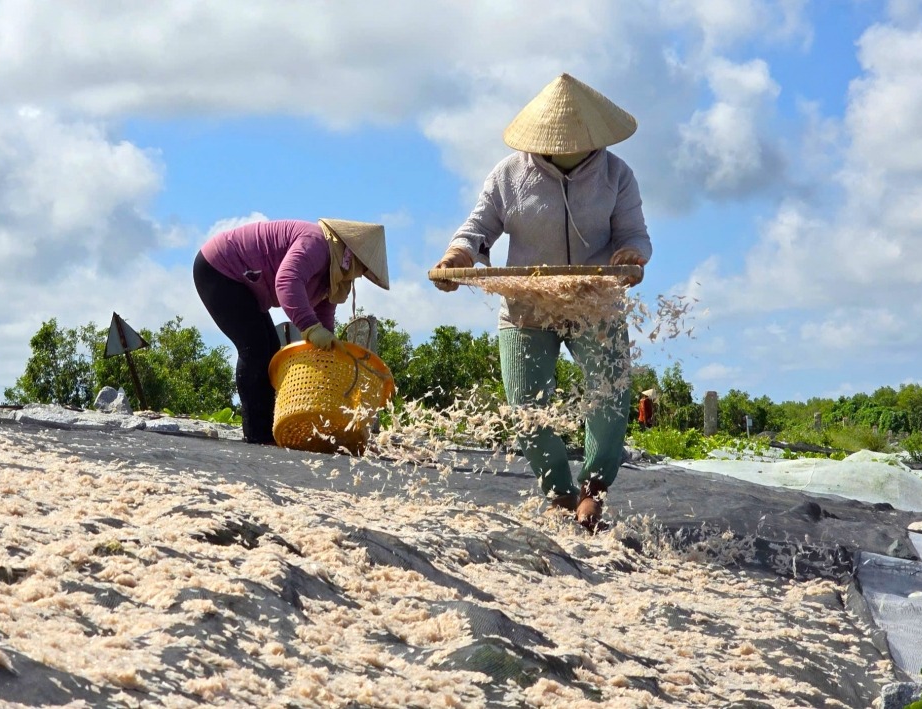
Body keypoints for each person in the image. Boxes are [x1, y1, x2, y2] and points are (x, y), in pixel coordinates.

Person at [431, 73, 652, 531]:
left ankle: (593, 491)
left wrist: (631, 257)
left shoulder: (616, 174)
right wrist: (459, 255)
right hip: (527, 304)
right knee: (526, 406)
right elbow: (477, 229)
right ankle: (560, 492)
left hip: (595, 302)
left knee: (608, 401)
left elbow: (634, 235)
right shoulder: (509, 175)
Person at [194, 219, 389, 445]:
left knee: (269, 349)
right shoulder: (316, 243)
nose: (358, 275)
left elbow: (323, 313)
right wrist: (309, 327)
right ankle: (257, 435)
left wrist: (327, 349)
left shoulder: (331, 275)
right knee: (255, 349)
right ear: (351, 256)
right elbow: (287, 281)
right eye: (361, 267)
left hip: (247, 286)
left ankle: (265, 430)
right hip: (221, 269)